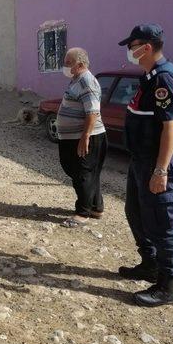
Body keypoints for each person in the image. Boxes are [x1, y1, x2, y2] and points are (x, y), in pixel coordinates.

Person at [118, 24, 173, 307]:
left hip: (157, 163)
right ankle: (150, 264)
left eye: (132, 45)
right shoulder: (151, 76)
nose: (129, 51)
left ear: (146, 47)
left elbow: (171, 126)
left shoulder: (164, 78)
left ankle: (166, 286)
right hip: (142, 160)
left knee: (162, 223)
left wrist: (161, 170)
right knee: (135, 212)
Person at [56, 47, 108, 228]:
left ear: (79, 64)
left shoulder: (87, 81)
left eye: (68, 63)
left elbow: (92, 112)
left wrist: (85, 136)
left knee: (82, 174)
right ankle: (96, 207)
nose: (65, 66)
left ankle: (82, 213)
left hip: (86, 136)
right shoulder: (76, 79)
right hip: (75, 136)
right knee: (85, 173)